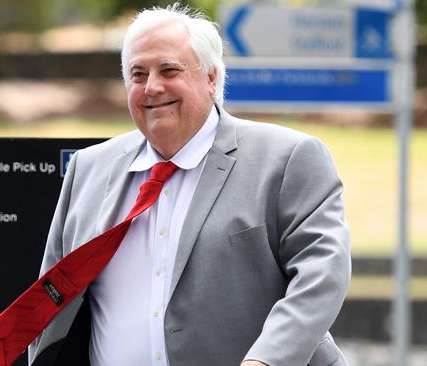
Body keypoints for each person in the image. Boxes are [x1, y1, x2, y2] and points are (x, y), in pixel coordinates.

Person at [28, 3, 351, 366]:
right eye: (137, 74)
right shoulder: (88, 168)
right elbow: (51, 296)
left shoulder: (288, 158)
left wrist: (265, 362)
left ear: (212, 79)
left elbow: (321, 277)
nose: (152, 87)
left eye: (169, 70)